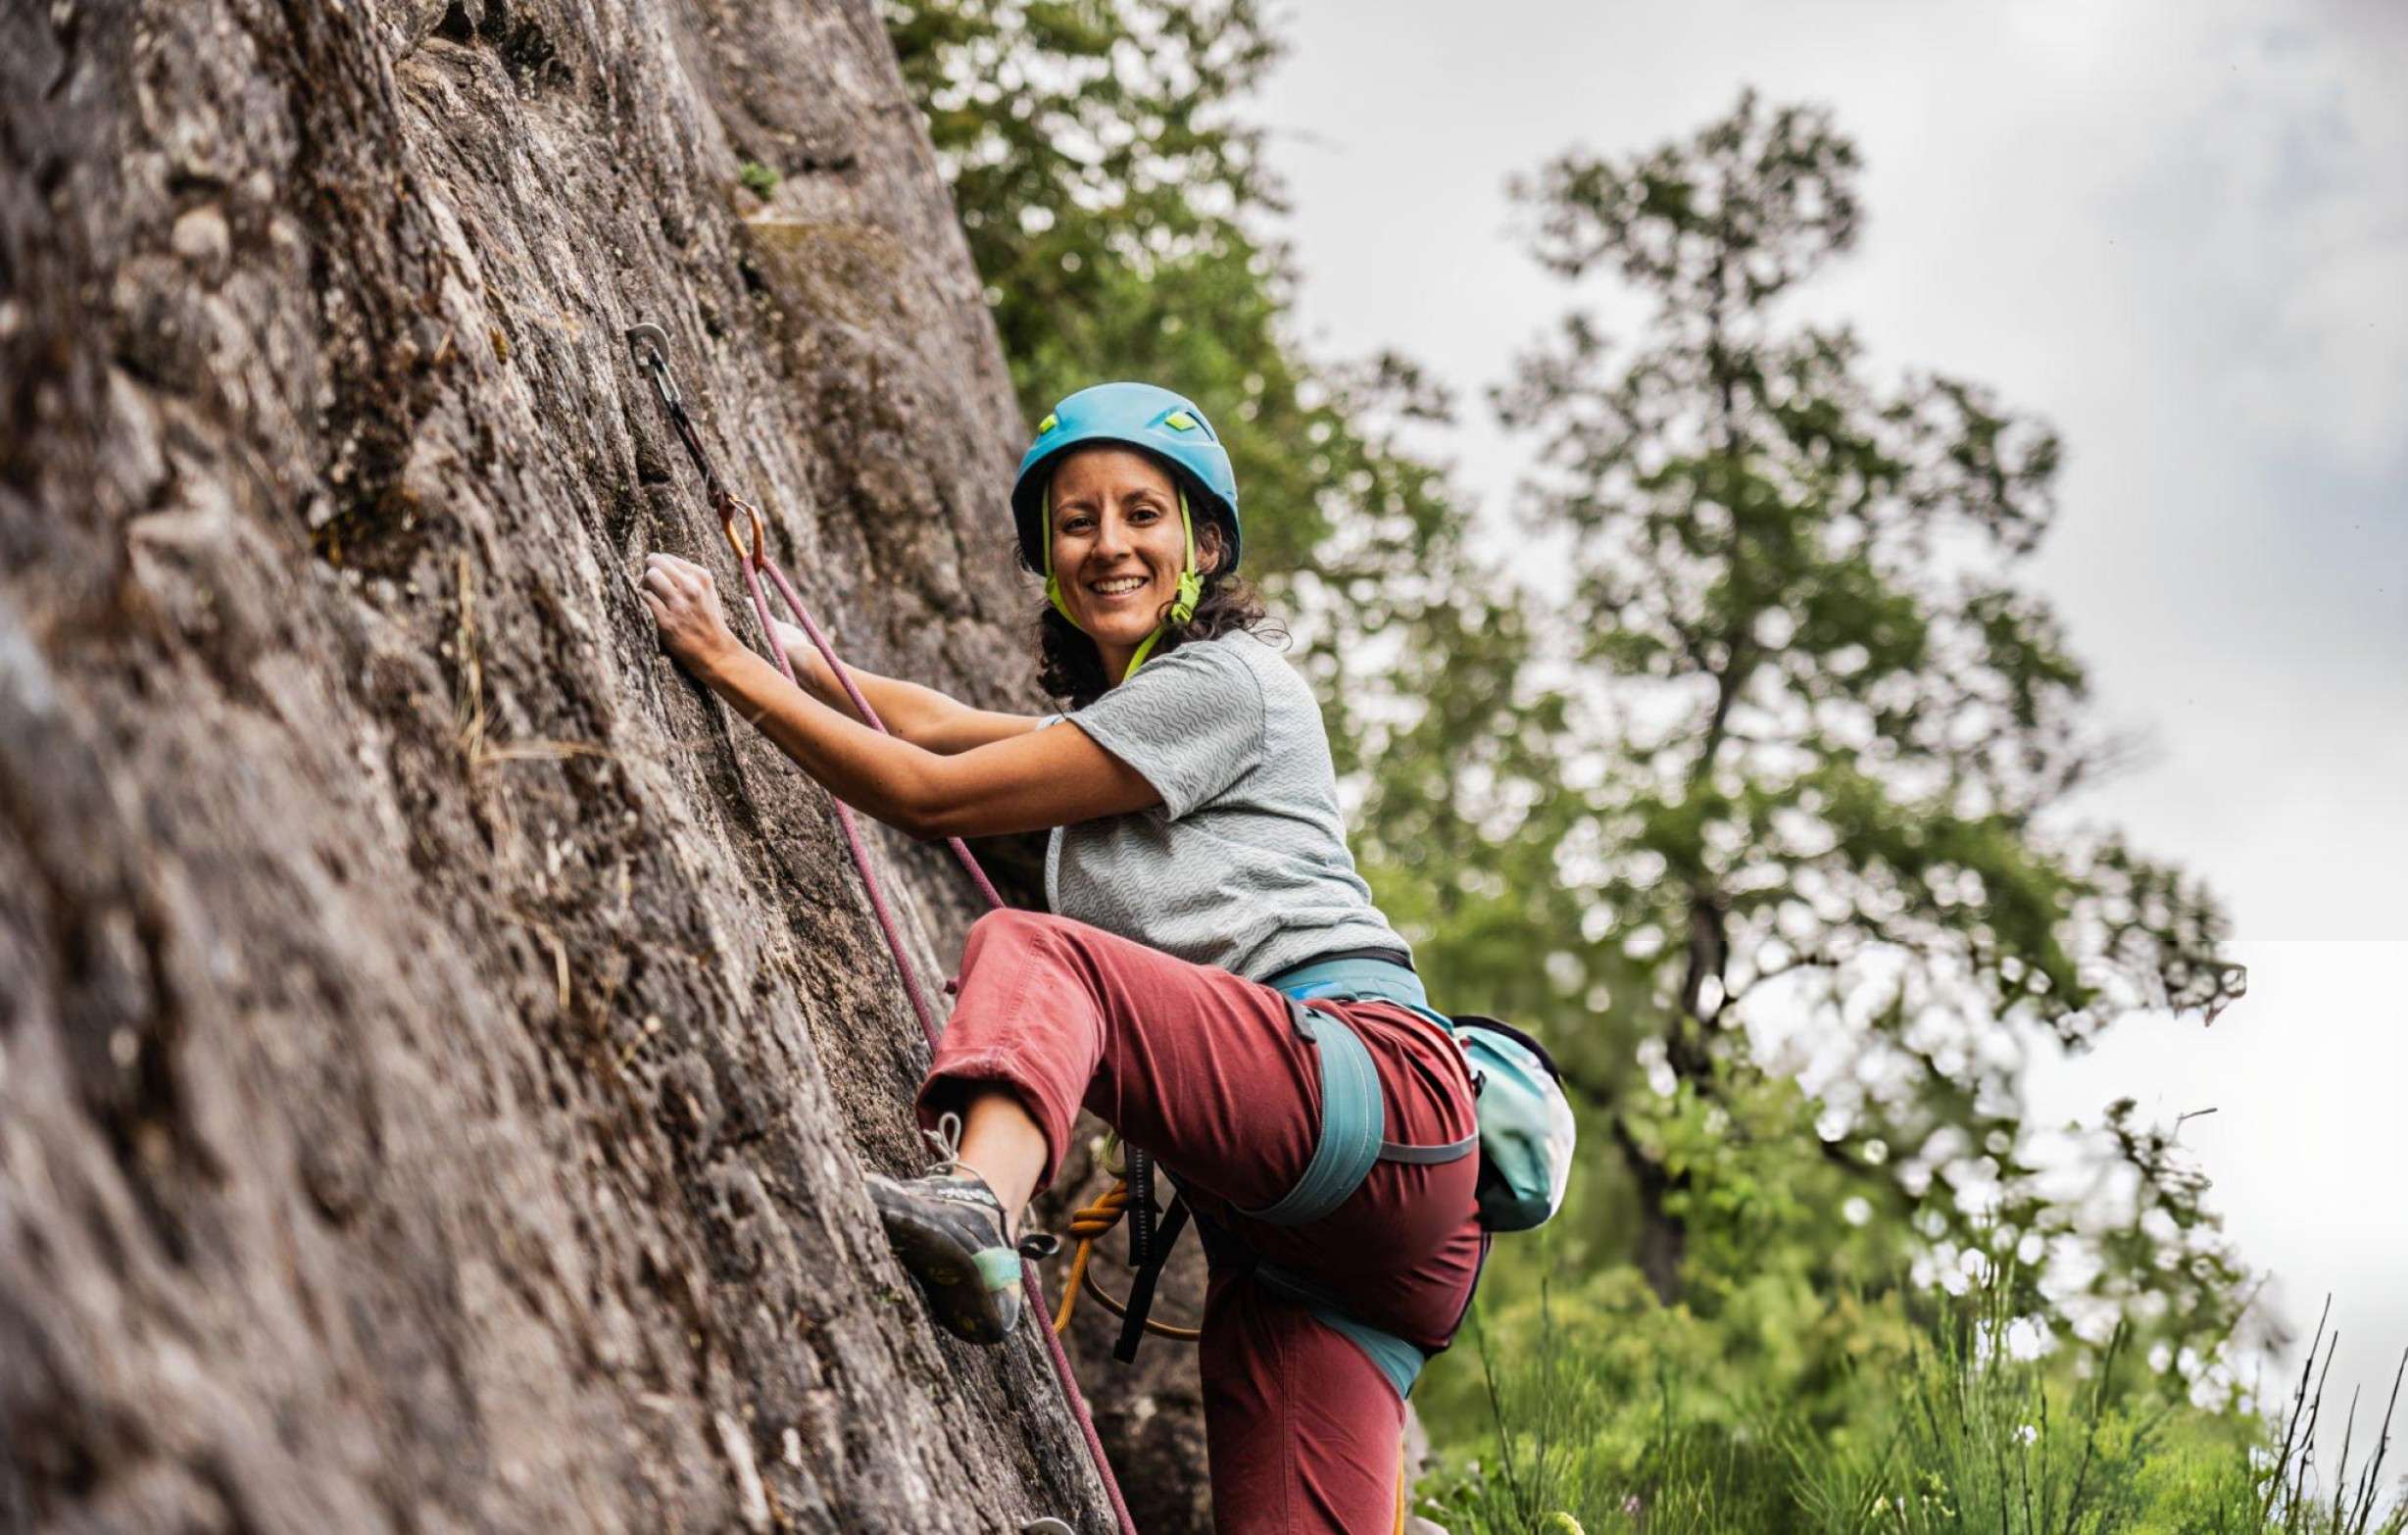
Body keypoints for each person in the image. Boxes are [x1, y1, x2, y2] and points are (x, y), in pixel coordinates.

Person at [639, 381, 1484, 1532]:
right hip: (1340, 1246)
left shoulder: (1223, 688)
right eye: (1075, 522)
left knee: (1042, 951)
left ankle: (977, 1213)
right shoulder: (1138, 721)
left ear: (1204, 541)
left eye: (1142, 513)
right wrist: (792, 654)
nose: (1108, 544)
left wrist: (722, 664)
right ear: (1048, 555)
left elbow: (929, 792)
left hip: (1366, 1089)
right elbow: (937, 724)